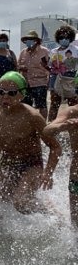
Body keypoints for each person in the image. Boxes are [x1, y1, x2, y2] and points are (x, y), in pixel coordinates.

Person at [0, 72, 61, 215]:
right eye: (1, 92)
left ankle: (52, 214)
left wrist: (48, 173)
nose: (5, 97)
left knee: (21, 202)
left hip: (32, 165)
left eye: (11, 93)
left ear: (22, 94)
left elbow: (55, 147)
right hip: (8, 164)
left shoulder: (33, 116)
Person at [43, 88, 78, 228]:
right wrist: (62, 126)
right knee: (76, 224)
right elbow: (47, 130)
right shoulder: (72, 112)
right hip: (76, 175)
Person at [47, 25, 78, 121]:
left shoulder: (76, 50)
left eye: (66, 37)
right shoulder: (53, 51)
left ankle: (74, 125)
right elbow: (50, 67)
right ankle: (51, 124)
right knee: (54, 103)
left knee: (73, 104)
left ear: (70, 38)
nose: (64, 39)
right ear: (58, 39)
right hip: (56, 79)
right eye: (61, 37)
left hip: (71, 79)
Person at [18, 30, 50, 119]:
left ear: (36, 41)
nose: (28, 41)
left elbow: (50, 67)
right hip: (26, 83)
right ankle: (28, 124)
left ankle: (43, 123)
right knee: (26, 106)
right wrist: (21, 67)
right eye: (27, 40)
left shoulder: (44, 51)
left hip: (40, 82)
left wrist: (49, 81)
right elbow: (17, 65)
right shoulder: (23, 52)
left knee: (42, 105)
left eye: (31, 39)